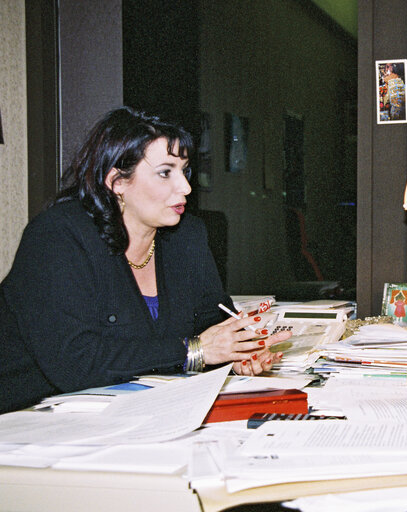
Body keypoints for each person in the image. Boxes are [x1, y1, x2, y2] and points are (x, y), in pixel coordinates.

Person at [0, 107, 291, 414]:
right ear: (117, 182)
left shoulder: (187, 236)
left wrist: (239, 354)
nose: (186, 188)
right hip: (25, 416)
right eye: (165, 172)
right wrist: (195, 351)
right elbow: (77, 362)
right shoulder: (57, 237)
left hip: (130, 412)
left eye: (185, 170)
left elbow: (213, 321)